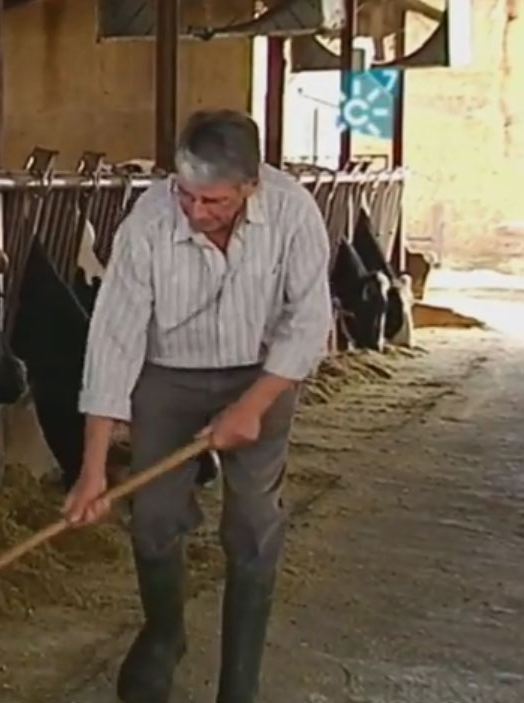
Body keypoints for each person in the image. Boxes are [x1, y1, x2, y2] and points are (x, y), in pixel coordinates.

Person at [61, 109, 332, 703]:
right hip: (168, 376)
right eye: (185, 194)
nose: (195, 212)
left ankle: (240, 686)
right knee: (153, 517)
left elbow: (309, 321)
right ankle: (164, 634)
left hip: (262, 373)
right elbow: (113, 340)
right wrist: (92, 472)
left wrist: (253, 406)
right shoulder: (148, 224)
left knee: (253, 522)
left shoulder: (293, 213)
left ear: (250, 186)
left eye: (213, 201)